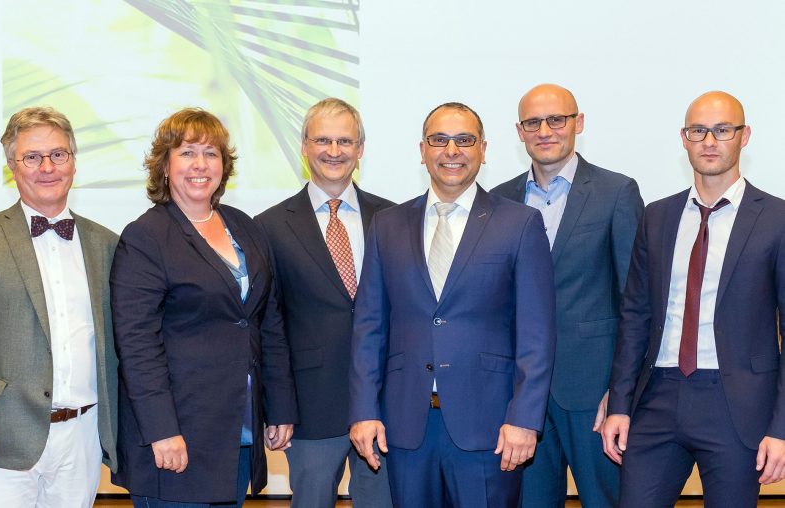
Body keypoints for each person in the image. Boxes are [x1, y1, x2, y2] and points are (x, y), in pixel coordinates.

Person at [349, 102, 556, 507]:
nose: (451, 150)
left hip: (490, 425)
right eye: (439, 140)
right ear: (422, 150)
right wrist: (363, 410)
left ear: (483, 149)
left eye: (464, 140)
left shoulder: (519, 223)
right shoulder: (388, 225)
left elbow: (537, 334)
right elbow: (369, 326)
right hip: (406, 426)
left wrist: (524, 419)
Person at [602, 91, 785, 507]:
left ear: (745, 136)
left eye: (722, 130)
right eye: (698, 130)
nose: (709, 141)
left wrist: (782, 427)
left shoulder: (777, 219)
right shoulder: (657, 215)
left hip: (736, 404)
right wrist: (619, 404)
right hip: (657, 397)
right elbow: (635, 316)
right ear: (684, 139)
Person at [110, 108, 298, 507]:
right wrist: (162, 431)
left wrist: (279, 407)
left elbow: (267, 323)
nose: (200, 165)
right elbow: (137, 345)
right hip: (178, 439)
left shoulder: (245, 227)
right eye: (187, 152)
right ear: (164, 166)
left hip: (237, 435)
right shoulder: (145, 237)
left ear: (224, 167)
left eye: (211, 154)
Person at [491, 84, 643, 507]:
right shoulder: (499, 200)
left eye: (556, 119)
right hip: (519, 396)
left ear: (578, 123)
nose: (545, 130)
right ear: (519, 132)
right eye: (533, 122)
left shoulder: (617, 193)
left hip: (593, 394)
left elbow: (636, 302)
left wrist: (621, 391)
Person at [0, 106, 119, 507]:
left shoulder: (106, 243)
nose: (47, 167)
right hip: (3, 438)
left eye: (58, 154)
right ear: (11, 166)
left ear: (73, 162)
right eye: (32, 157)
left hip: (84, 436)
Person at [256, 98, 393, 507]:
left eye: (345, 141)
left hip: (383, 402)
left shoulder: (392, 218)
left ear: (360, 149)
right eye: (323, 140)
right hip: (309, 407)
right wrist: (277, 407)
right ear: (303, 146)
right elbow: (270, 326)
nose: (334, 151)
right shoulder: (269, 226)